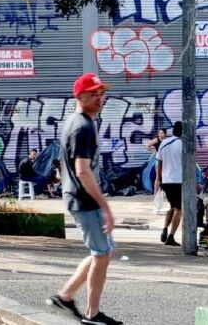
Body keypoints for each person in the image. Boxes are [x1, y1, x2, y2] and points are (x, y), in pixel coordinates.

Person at [48, 73, 122, 325]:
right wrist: (105, 206)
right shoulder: (83, 127)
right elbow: (82, 169)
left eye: (101, 93)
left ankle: (66, 296)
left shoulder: (75, 122)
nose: (99, 98)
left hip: (77, 196)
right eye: (94, 93)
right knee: (102, 254)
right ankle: (92, 314)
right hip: (84, 199)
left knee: (102, 252)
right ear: (79, 96)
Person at [155, 121, 183, 247]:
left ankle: (165, 229)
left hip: (166, 180)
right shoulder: (183, 144)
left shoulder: (164, 143)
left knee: (172, 207)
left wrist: (159, 179)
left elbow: (159, 163)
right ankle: (171, 236)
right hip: (178, 180)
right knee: (178, 209)